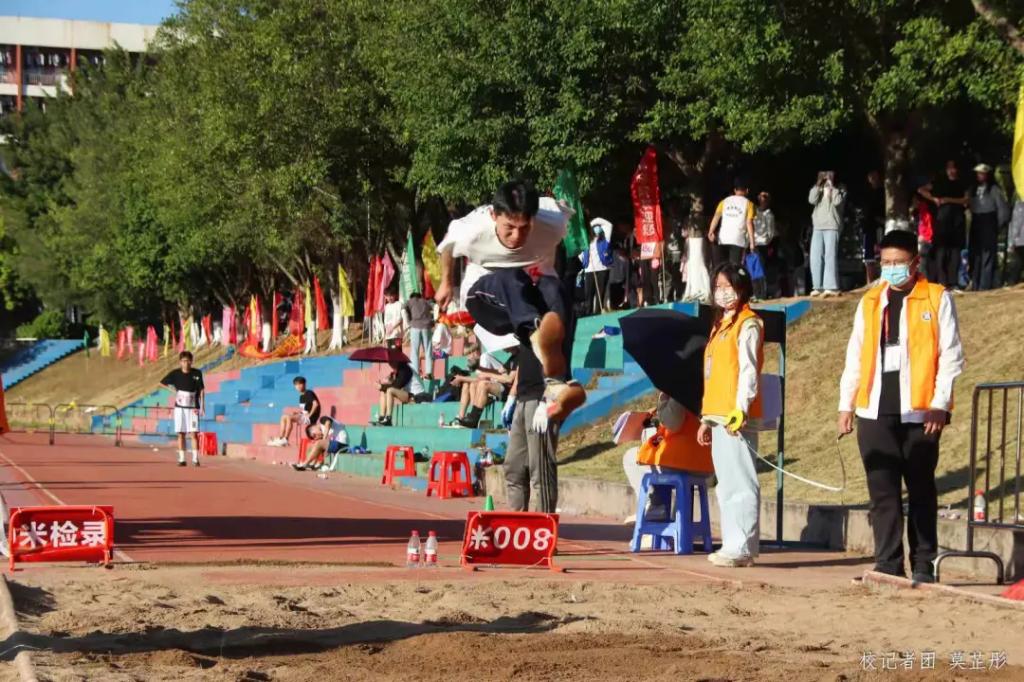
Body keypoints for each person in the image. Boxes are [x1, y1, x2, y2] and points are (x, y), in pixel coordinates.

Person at [837, 230, 964, 583]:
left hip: (921, 411)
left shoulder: (936, 297)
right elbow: (855, 355)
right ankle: (888, 564)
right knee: (882, 490)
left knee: (921, 488)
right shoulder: (870, 301)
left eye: (898, 262)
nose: (891, 268)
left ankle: (924, 564)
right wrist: (846, 405)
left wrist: (939, 403)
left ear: (915, 262)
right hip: (875, 408)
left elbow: (951, 355)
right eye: (886, 262)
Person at [435, 179, 585, 427]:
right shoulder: (473, 228)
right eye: (509, 228)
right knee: (511, 277)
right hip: (486, 302)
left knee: (556, 289)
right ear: (494, 216)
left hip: (528, 297)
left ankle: (557, 386)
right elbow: (447, 247)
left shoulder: (552, 221)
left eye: (525, 228)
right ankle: (535, 336)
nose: (516, 237)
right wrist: (446, 283)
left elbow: (564, 214)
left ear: (534, 219)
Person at [696, 263, 764, 568]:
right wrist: (706, 419)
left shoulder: (748, 323)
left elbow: (748, 370)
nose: (723, 292)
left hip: (736, 415)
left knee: (741, 480)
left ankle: (743, 547)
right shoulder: (719, 325)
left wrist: (741, 408)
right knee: (726, 483)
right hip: (718, 413)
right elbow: (715, 375)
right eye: (718, 287)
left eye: (728, 286)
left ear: (742, 288)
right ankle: (733, 543)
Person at [622, 393, 713, 521]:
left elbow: (672, 423)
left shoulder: (678, 389)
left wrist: (663, 401)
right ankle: (680, 525)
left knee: (630, 457)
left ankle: (653, 506)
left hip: (681, 460)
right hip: (706, 463)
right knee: (658, 461)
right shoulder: (704, 386)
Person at [917, 160, 968, 290]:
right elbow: (921, 190)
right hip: (942, 219)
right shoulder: (940, 182)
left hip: (957, 220)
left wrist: (948, 200)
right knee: (941, 250)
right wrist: (934, 199)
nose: (951, 171)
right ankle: (941, 281)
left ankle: (953, 281)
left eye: (953, 168)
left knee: (955, 251)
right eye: (949, 168)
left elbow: (966, 200)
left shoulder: (962, 183)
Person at [967, 163, 1009, 291]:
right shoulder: (972, 189)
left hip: (989, 222)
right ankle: (975, 283)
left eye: (983, 173)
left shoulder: (994, 189)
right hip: (976, 221)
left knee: (988, 255)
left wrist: (998, 225)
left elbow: (1002, 209)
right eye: (978, 173)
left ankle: (985, 285)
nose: (980, 176)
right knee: (975, 254)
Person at [452, 346, 517, 428]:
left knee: (481, 384)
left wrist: (461, 378)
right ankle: (468, 417)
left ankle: (472, 419)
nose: (502, 348)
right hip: (500, 386)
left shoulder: (484, 357)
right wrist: (478, 368)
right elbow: (499, 371)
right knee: (473, 384)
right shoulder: (512, 358)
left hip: (509, 390)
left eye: (469, 354)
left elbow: (509, 379)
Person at [160, 351, 205, 467]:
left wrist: (202, 406)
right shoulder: (175, 374)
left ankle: (195, 459)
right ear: (180, 362)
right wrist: (173, 390)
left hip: (193, 408)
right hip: (180, 408)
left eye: (188, 361)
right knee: (181, 434)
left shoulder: (197, 373)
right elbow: (162, 383)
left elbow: (201, 390)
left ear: (191, 361)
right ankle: (182, 459)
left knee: (194, 434)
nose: (186, 363)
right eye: (184, 361)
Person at [808, 170, 846, 297]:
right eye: (824, 175)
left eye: (830, 174)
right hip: (818, 225)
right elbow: (811, 200)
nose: (827, 177)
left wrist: (832, 187)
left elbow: (837, 202)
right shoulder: (819, 188)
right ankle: (818, 286)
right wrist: (818, 185)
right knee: (815, 256)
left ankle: (831, 287)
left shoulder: (840, 188)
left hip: (832, 225)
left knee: (830, 256)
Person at [707, 178, 756, 267]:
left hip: (723, 238)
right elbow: (749, 223)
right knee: (734, 268)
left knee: (722, 267)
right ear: (747, 190)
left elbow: (716, 217)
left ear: (735, 190)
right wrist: (752, 243)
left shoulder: (724, 201)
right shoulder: (749, 204)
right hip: (738, 240)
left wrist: (710, 231)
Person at [267, 376, 320, 446]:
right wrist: (298, 413)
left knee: (289, 417)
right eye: (296, 385)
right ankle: (281, 438)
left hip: (311, 418)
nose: (298, 386)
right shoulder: (301, 397)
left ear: (304, 384)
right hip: (304, 416)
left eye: (300, 384)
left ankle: (286, 439)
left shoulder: (309, 393)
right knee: (283, 416)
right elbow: (306, 410)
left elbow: (315, 404)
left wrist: (310, 415)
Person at [375, 360, 427, 426]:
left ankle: (388, 419)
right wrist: (385, 384)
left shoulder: (405, 369)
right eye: (389, 363)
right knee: (383, 391)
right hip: (410, 395)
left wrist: (381, 386)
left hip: (418, 396)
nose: (390, 364)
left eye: (392, 362)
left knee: (390, 390)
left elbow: (397, 386)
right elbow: (394, 384)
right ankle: (382, 418)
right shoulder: (399, 370)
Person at [580, 218, 613, 314]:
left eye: (598, 227)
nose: (597, 229)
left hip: (602, 269)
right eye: (594, 228)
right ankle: (588, 313)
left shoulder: (605, 239)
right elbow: (580, 254)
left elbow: (609, 225)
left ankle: (598, 313)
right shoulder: (585, 240)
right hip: (589, 270)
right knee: (588, 295)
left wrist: (594, 222)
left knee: (600, 294)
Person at [859, 170, 885, 285]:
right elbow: (865, 212)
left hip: (880, 228)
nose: (873, 179)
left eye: (875, 177)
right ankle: (869, 283)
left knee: (881, 256)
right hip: (868, 229)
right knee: (869, 258)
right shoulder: (866, 193)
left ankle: (881, 282)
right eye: (871, 177)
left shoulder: (883, 192)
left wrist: (880, 220)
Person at [403, 292, 435, 378]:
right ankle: (429, 372)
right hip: (426, 327)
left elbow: (403, 309)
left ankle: (415, 372)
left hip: (415, 326)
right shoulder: (425, 301)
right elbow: (435, 307)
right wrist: (433, 321)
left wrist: (408, 322)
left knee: (414, 350)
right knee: (428, 349)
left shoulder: (410, 301)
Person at [752, 191, 775, 300]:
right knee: (752, 268)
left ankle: (762, 294)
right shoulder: (754, 211)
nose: (763, 199)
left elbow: (771, 232)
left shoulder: (769, 214)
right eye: (761, 196)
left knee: (760, 269)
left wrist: (766, 241)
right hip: (752, 243)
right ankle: (755, 292)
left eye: (765, 197)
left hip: (762, 244)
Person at [1008, 197, 1024, 285]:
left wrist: (1011, 241)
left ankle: (1012, 285)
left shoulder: (1020, 203)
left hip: (1021, 240)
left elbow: (1017, 223)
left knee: (1016, 268)